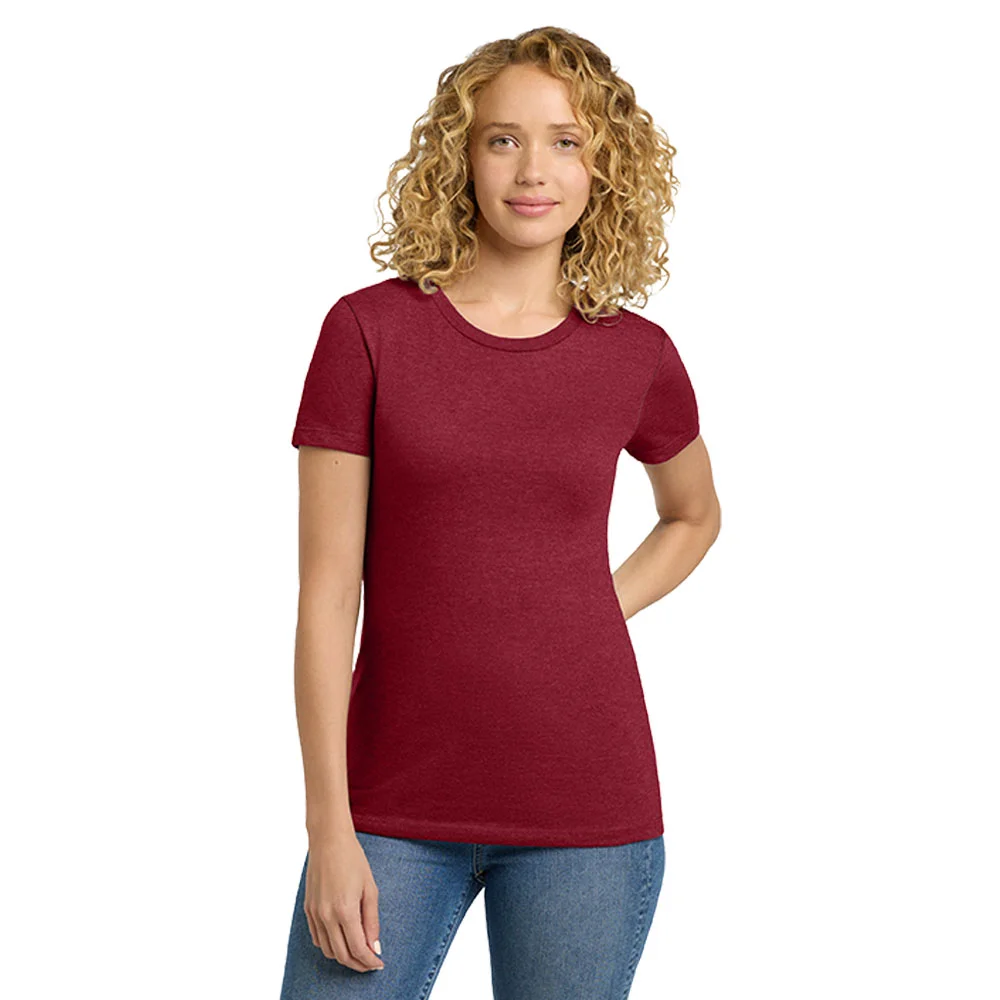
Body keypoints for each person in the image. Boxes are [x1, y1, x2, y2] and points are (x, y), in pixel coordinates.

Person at [279, 25, 722, 1000]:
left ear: (604, 167)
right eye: (503, 139)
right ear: (461, 155)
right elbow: (325, 597)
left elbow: (692, 515)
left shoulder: (635, 355)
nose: (533, 171)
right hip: (389, 803)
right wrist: (328, 827)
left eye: (566, 142)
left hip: (587, 809)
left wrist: (588, 609)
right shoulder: (368, 332)